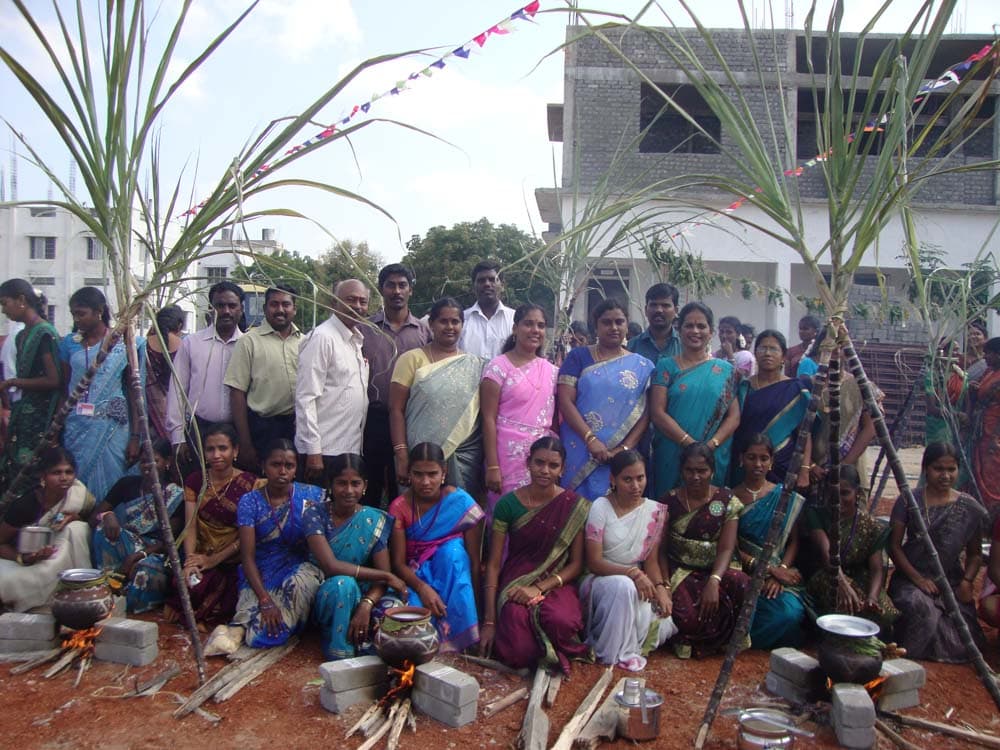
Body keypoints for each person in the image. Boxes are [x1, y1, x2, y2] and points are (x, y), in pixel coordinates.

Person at [480, 437, 591, 673]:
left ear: (562, 469)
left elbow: (577, 564)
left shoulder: (575, 505)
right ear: (528, 463)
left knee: (562, 621)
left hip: (556, 583)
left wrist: (540, 587)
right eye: (539, 463)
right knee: (518, 648)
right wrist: (489, 622)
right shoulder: (507, 505)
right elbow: (493, 565)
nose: (545, 471)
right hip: (516, 583)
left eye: (553, 466)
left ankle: (551, 652)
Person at [888, 443, 987, 662]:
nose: (945, 475)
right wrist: (918, 579)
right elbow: (894, 546)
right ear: (925, 469)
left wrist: (967, 581)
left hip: (949, 581)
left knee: (961, 633)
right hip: (911, 577)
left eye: (951, 470)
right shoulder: (909, 500)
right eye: (938, 469)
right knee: (918, 607)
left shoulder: (968, 507)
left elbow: (975, 555)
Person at [306, 454, 407, 660]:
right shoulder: (315, 514)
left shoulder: (373, 519)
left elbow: (381, 575)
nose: (349, 490)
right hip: (326, 592)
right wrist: (387, 577)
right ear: (330, 485)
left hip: (363, 592)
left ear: (365, 486)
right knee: (344, 585)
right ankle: (341, 654)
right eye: (342, 483)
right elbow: (330, 566)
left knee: (394, 609)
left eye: (355, 483)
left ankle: (371, 651)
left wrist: (367, 604)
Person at [580, 450, 674, 671]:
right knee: (623, 587)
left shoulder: (653, 511)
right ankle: (612, 654)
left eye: (640, 478)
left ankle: (628, 649)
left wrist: (661, 588)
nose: (635, 486)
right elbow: (594, 562)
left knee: (661, 620)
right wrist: (632, 574)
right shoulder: (600, 507)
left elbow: (650, 561)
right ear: (613, 480)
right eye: (627, 479)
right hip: (600, 579)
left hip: (638, 580)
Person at [389, 442, 484, 653]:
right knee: (412, 625)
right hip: (415, 577)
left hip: (454, 573)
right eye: (418, 474)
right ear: (409, 474)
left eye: (432, 474)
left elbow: (474, 563)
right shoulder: (400, 507)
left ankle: (465, 642)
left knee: (453, 552)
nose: (425, 482)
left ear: (444, 472)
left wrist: (479, 613)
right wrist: (423, 589)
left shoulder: (460, 502)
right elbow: (397, 563)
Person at [229, 440, 323, 648]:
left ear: (296, 468)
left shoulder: (312, 496)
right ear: (263, 466)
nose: (282, 471)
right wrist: (265, 600)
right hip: (261, 570)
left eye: (289, 466)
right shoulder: (249, 501)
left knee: (268, 632)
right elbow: (247, 557)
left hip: (300, 567)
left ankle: (294, 620)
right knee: (257, 626)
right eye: (275, 464)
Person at [557, 298, 653, 501]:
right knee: (574, 508)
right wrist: (590, 439)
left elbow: (646, 413)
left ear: (627, 324)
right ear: (596, 325)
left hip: (622, 456)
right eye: (606, 322)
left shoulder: (642, 366)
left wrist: (624, 448)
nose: (614, 327)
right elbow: (565, 402)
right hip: (579, 448)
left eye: (619, 322)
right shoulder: (578, 357)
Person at [661, 443, 750, 658]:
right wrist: (663, 584)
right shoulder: (670, 501)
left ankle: (727, 641)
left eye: (702, 471)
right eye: (689, 471)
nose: (696, 477)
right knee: (688, 618)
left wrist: (715, 579)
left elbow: (727, 547)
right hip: (681, 571)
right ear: (681, 471)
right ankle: (688, 641)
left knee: (740, 583)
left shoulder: (726, 501)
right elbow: (660, 549)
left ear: (713, 471)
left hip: (715, 570)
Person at [166, 423, 259, 628]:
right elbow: (190, 526)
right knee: (189, 583)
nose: (216, 455)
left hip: (233, 558)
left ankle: (204, 617)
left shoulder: (250, 484)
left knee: (231, 593)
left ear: (235, 451)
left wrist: (214, 560)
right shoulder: (195, 480)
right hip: (200, 553)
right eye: (210, 449)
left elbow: (247, 535)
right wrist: (191, 562)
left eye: (223, 448)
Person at [390, 297, 485, 495]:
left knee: (459, 515)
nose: (449, 327)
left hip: (463, 456)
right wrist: (401, 454)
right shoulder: (411, 359)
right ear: (431, 324)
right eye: (443, 321)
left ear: (462, 325)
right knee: (416, 513)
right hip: (419, 454)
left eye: (455, 322)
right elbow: (396, 410)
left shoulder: (474, 365)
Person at [60, 286, 144, 502]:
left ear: (99, 311)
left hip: (112, 427)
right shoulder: (70, 343)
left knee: (113, 481)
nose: (77, 319)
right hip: (76, 426)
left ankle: (108, 532)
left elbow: (135, 393)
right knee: (76, 483)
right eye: (74, 315)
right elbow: (64, 387)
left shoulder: (123, 343)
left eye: (81, 313)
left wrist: (135, 436)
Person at [649, 302, 740, 497]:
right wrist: (690, 445)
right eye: (689, 326)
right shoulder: (665, 366)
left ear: (711, 332)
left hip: (712, 455)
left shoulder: (725, 371)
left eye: (701, 326)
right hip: (672, 453)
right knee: (668, 508)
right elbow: (657, 413)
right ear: (678, 329)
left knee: (710, 512)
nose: (695, 331)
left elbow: (734, 417)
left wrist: (708, 447)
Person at [361, 264, 430, 507]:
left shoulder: (424, 332)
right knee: (370, 485)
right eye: (391, 285)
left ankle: (401, 541)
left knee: (404, 486)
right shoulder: (364, 329)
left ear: (410, 290)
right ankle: (371, 540)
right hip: (374, 419)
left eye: (402, 285)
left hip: (410, 419)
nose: (397, 291)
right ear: (381, 289)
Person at [90, 438, 185, 613]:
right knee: (102, 529)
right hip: (130, 543)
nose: (148, 466)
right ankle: (109, 584)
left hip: (157, 553)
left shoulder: (176, 495)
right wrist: (107, 515)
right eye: (143, 461)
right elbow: (95, 515)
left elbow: (168, 543)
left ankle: (125, 603)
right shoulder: (127, 484)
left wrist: (138, 555)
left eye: (154, 460)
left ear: (167, 462)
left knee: (144, 570)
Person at [481, 303, 558, 516]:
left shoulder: (552, 371)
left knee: (539, 517)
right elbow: (487, 418)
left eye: (541, 326)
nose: (535, 330)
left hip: (541, 458)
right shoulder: (497, 367)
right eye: (528, 324)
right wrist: (493, 466)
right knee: (506, 516)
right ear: (515, 329)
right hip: (505, 457)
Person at [733, 435, 808, 649]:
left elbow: (794, 541)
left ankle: (746, 641)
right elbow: (732, 546)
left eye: (764, 458)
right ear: (741, 459)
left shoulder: (784, 496)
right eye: (751, 457)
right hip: (745, 570)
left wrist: (781, 571)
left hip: (780, 571)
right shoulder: (730, 497)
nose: (758, 464)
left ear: (771, 461)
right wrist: (767, 570)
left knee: (789, 613)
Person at [805, 465, 899, 635]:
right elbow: (827, 553)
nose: (838, 499)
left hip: (858, 577)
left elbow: (877, 569)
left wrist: (872, 597)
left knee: (881, 612)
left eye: (845, 493)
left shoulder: (871, 526)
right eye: (832, 493)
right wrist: (842, 583)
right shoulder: (817, 515)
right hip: (828, 575)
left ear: (857, 493)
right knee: (847, 604)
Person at [0, 447, 95, 612]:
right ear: (43, 476)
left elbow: (92, 523)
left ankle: (79, 587)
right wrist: (24, 558)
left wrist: (74, 517)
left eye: (69, 472)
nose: (64, 478)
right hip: (25, 560)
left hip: (62, 561)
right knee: (11, 581)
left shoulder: (78, 495)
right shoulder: (25, 505)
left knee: (78, 528)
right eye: (56, 473)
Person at [295, 279, 370, 483]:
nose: (357, 306)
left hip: (349, 448)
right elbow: (306, 397)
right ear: (334, 303)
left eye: (363, 301)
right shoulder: (322, 338)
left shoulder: (355, 341)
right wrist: (313, 450)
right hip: (323, 451)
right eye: (350, 300)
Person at [166, 281, 245, 467]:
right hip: (199, 430)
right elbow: (177, 391)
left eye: (232, 306)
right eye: (220, 305)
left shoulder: (248, 344)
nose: (226, 311)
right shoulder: (192, 343)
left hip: (239, 432)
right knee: (198, 488)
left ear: (241, 309)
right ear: (211, 308)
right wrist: (178, 438)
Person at [225, 285, 302, 471]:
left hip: (297, 428)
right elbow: (237, 393)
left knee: (293, 487)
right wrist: (245, 442)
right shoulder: (249, 341)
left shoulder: (306, 342)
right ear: (265, 308)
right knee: (261, 485)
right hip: (262, 429)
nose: (280, 309)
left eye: (286, 304)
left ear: (295, 309)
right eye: (274, 304)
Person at [0, 280, 61, 488]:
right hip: (24, 412)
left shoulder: (44, 333)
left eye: (5, 303)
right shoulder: (22, 335)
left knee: (33, 473)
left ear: (21, 300)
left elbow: (53, 380)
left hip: (40, 415)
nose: (3, 310)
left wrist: (13, 382)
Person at [731, 330, 812, 486]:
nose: (767, 353)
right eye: (762, 349)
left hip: (782, 466)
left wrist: (804, 470)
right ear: (755, 354)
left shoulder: (795, 390)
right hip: (745, 465)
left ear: (783, 356)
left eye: (773, 349)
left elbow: (805, 433)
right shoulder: (743, 387)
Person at [458, 260, 516, 360]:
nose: (487, 284)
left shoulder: (515, 319)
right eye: (481, 280)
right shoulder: (461, 320)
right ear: (473, 286)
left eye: (492, 280)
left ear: (502, 285)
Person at [145, 304, 185, 443]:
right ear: (179, 325)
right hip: (177, 418)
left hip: (147, 415)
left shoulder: (142, 346)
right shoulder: (184, 346)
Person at [969, 337, 1000, 510]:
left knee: (993, 472)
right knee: (980, 469)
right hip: (982, 431)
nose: (985, 357)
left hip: (994, 433)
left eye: (989, 353)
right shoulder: (989, 372)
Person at [628, 283, 681, 367]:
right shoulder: (631, 347)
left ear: (676, 310)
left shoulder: (685, 346)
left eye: (665, 305)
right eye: (653, 305)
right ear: (646, 310)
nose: (659, 310)